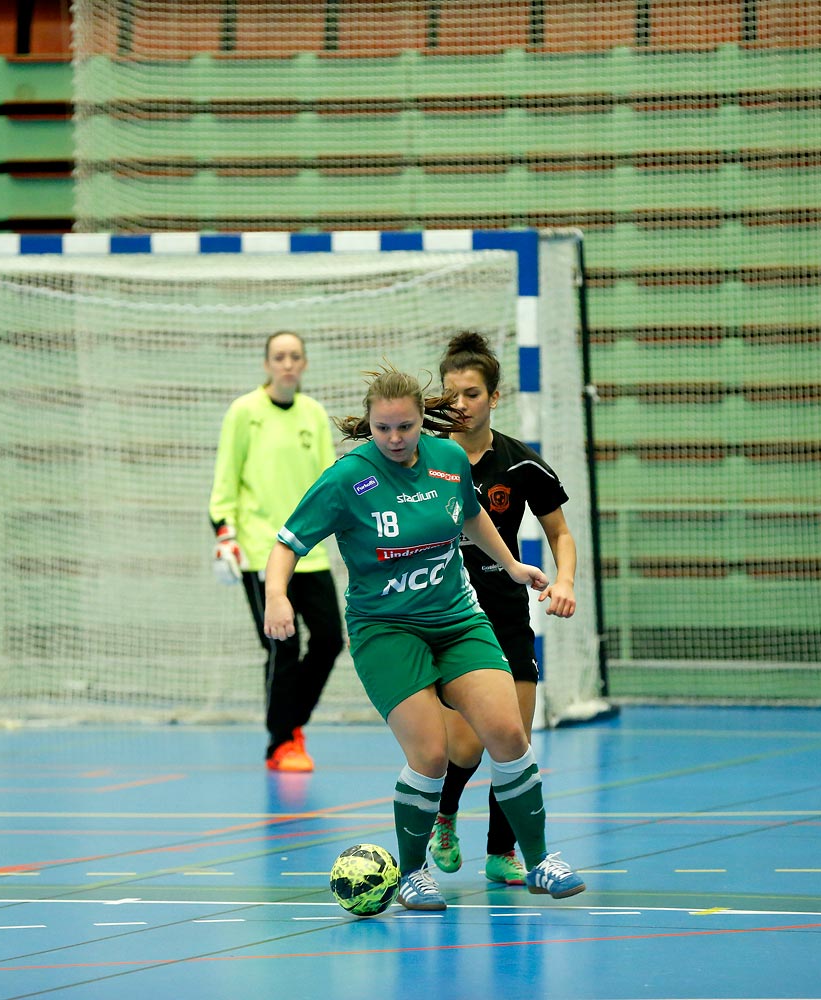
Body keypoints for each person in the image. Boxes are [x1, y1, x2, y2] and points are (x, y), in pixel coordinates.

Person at [262, 363, 585, 910]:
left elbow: (471, 516)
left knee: (508, 732)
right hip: (386, 630)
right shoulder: (348, 478)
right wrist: (276, 597)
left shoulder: (449, 460)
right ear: (370, 424)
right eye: (384, 428)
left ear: (421, 423)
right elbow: (287, 544)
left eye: (405, 427)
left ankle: (540, 862)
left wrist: (510, 564)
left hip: (457, 618)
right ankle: (412, 872)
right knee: (432, 754)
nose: (395, 438)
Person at [426, 331, 578, 887]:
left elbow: (560, 533)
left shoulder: (520, 465)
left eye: (470, 394)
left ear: (494, 396)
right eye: (449, 395)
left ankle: (500, 851)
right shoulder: (423, 458)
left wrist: (564, 581)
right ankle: (444, 817)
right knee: (465, 742)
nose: (459, 405)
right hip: (448, 611)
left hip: (508, 610)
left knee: (516, 738)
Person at [209, 331, 343, 773]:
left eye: (295, 356)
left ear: (304, 364)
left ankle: (291, 722)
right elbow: (226, 477)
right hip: (259, 551)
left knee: (328, 640)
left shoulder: (314, 414)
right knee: (283, 645)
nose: (287, 364)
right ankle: (281, 741)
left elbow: (330, 481)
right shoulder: (244, 412)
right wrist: (224, 533)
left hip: (311, 552)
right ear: (267, 364)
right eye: (278, 357)